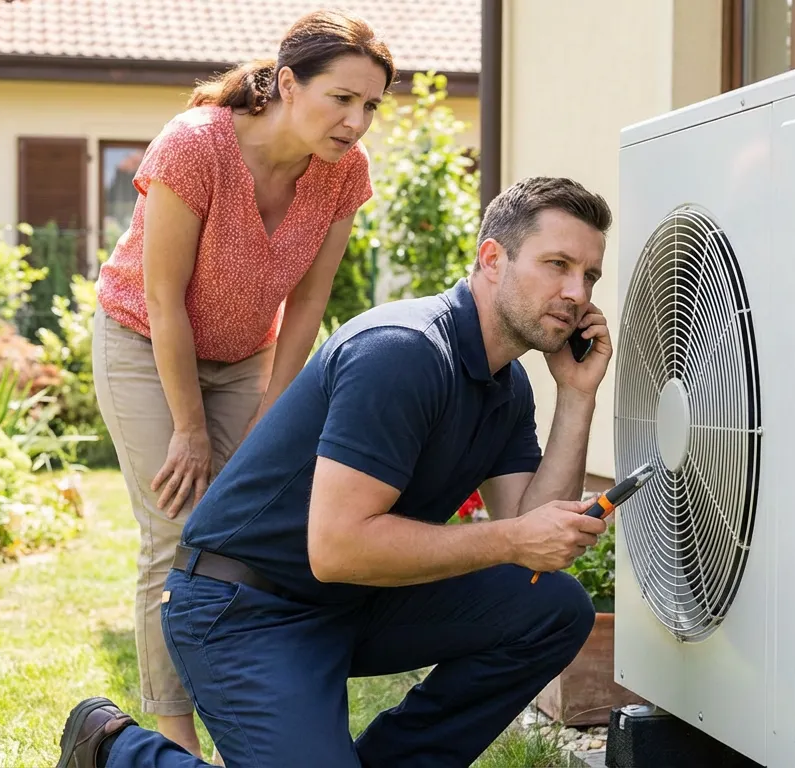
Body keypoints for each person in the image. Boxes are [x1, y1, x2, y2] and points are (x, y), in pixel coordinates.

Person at [57, 176, 617, 768]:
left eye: (589, 276)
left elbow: (535, 543)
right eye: (557, 264)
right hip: (244, 607)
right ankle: (113, 751)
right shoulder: (404, 352)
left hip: (354, 600)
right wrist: (511, 540)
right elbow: (337, 548)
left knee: (552, 607)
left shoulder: (507, 388)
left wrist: (578, 396)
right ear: (492, 259)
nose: (576, 292)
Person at [89, 9, 393, 759]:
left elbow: (311, 302)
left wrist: (272, 413)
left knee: (240, 538)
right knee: (175, 530)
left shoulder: (343, 172)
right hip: (142, 338)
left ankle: (244, 712)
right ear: (288, 84)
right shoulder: (197, 146)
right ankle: (174, 738)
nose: (356, 122)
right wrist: (190, 430)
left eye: (371, 106)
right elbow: (164, 300)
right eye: (341, 99)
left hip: (247, 355)